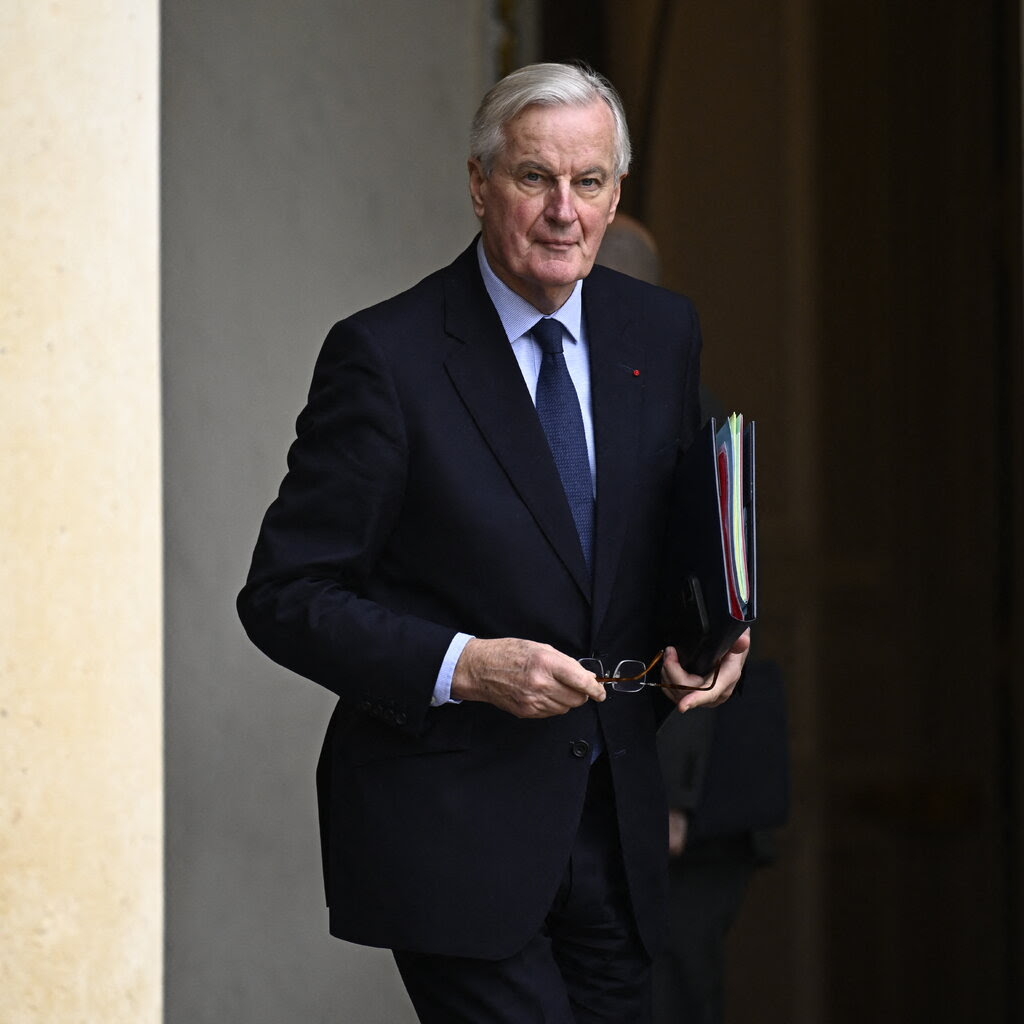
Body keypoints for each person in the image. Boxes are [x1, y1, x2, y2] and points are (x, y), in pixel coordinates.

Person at [237, 62, 749, 1023]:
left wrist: (705, 642)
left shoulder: (662, 330)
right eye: (533, 179)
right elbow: (285, 594)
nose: (564, 211)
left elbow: (659, 550)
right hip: (454, 834)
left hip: (618, 831)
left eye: (588, 182)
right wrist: (466, 666)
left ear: (616, 194)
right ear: (479, 184)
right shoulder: (385, 357)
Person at [595, 216, 790, 1024]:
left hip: (691, 787)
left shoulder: (679, 408)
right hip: (643, 778)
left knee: (670, 994)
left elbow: (706, 615)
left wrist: (668, 795)